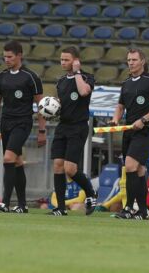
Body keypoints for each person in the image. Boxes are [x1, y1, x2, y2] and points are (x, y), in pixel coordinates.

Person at [0, 40, 47, 213]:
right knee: (17, 162)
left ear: (20, 56)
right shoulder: (2, 76)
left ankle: (4, 202)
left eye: (10, 57)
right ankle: (22, 205)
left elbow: (42, 106)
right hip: (6, 123)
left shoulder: (31, 77)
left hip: (22, 123)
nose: (7, 60)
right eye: (4, 57)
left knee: (9, 159)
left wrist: (42, 130)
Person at [110, 48, 149, 220]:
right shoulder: (126, 83)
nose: (131, 63)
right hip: (129, 131)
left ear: (143, 61)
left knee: (131, 166)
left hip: (146, 130)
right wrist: (115, 119)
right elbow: (120, 106)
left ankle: (128, 208)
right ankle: (142, 211)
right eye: (129, 60)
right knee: (139, 170)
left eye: (134, 60)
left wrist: (143, 120)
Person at [50, 46, 97, 216]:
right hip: (63, 126)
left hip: (78, 126)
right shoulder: (61, 81)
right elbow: (62, 103)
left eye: (67, 60)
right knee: (57, 166)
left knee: (70, 169)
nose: (63, 63)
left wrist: (77, 73)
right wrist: (51, 109)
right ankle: (60, 208)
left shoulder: (86, 77)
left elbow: (84, 92)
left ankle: (91, 193)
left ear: (76, 61)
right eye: (61, 59)